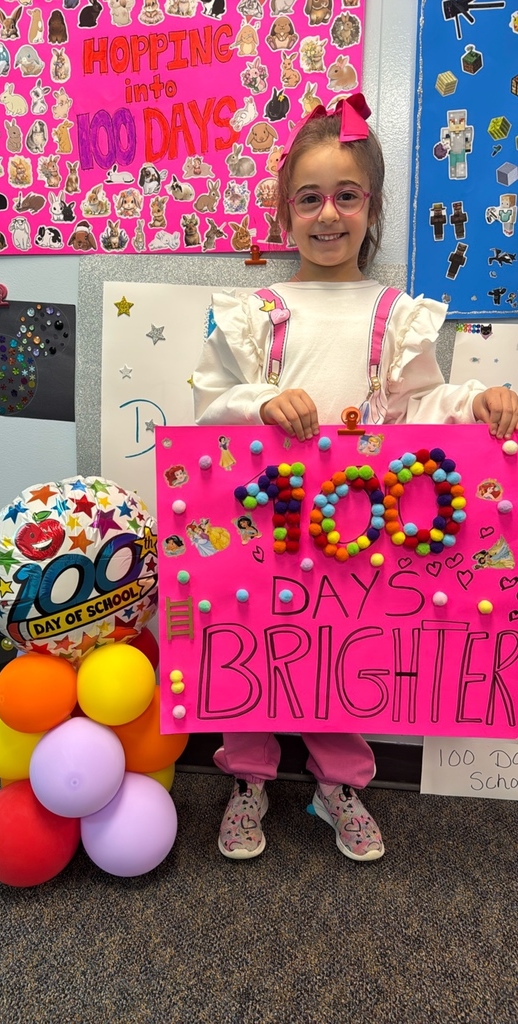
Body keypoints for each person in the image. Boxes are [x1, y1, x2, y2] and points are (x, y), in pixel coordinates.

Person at [192, 94, 518, 864]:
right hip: (266, 521)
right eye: (309, 198)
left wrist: (479, 399)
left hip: (357, 526)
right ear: (284, 213)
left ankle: (338, 783)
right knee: (259, 645)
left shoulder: (395, 315)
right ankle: (247, 778)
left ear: (371, 210)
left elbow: (422, 404)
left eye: (347, 196)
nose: (328, 214)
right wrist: (262, 399)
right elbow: (206, 408)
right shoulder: (256, 313)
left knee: (343, 652)